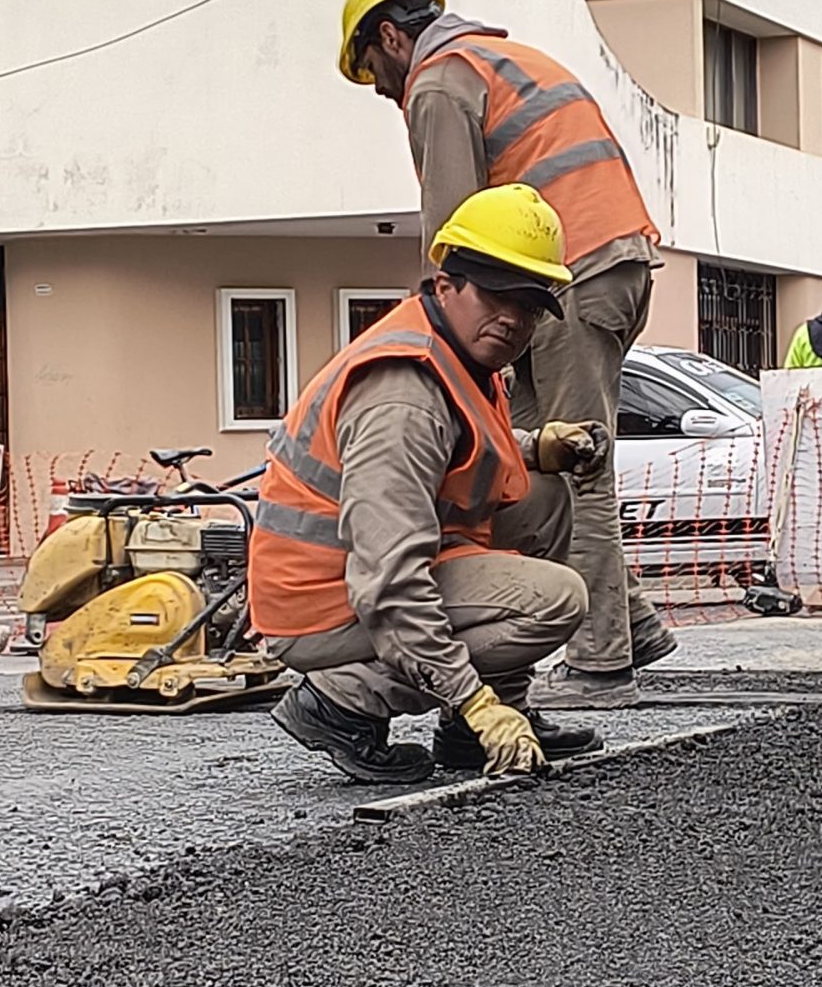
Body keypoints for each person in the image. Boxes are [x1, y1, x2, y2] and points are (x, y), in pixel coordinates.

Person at [337, 0, 678, 711]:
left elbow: (457, 232)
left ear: (391, 38)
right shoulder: (502, 58)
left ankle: (600, 665)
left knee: (575, 466)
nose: (380, 90)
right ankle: (633, 625)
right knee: (524, 458)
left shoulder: (438, 79)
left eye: (372, 72)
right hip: (600, 266)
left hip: (566, 279)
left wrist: (435, 330)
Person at [250, 185, 612, 785]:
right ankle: (343, 703)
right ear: (447, 285)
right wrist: (474, 700)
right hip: (326, 603)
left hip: (360, 574)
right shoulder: (404, 395)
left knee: (541, 492)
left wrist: (537, 448)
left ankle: (480, 723)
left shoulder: (460, 352)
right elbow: (389, 581)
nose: (513, 319)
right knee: (555, 601)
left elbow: (448, 461)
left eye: (529, 304)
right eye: (498, 295)